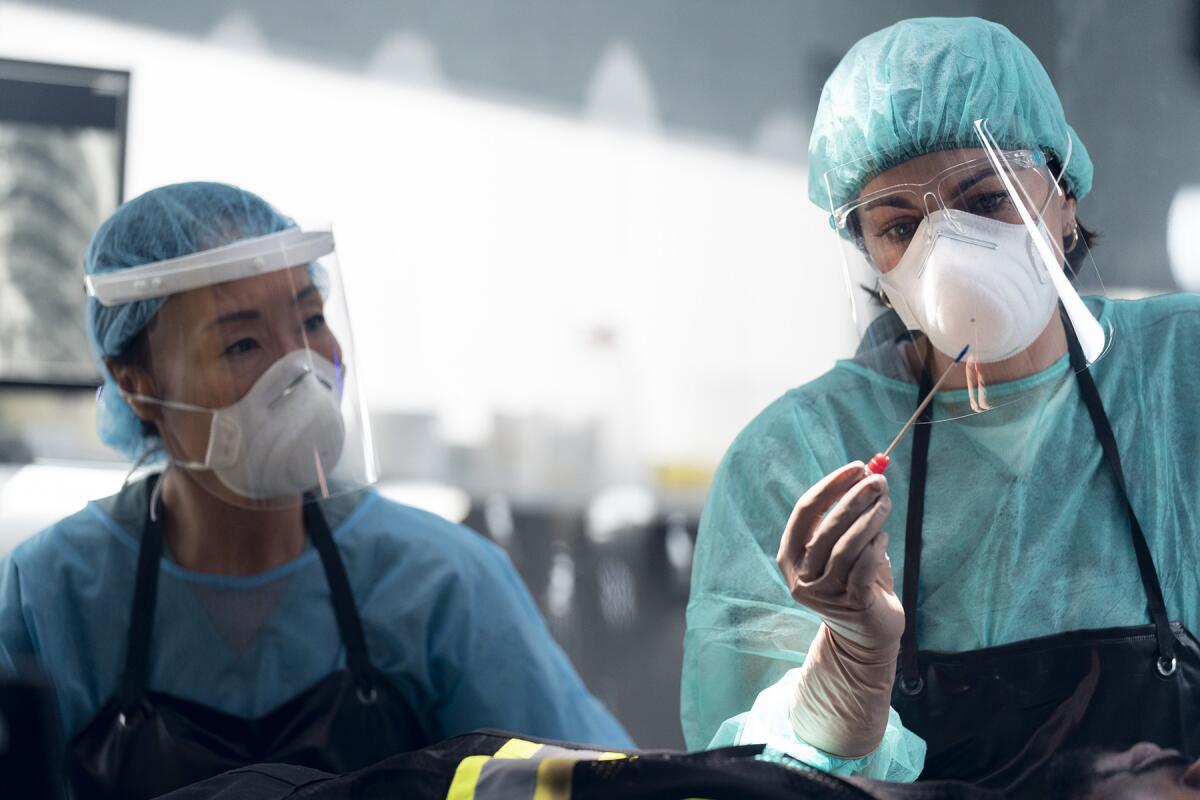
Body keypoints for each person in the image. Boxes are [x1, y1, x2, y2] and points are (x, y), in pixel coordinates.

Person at [682, 16, 1200, 797]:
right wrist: (845, 680)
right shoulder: (796, 457)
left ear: (1063, 199)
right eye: (900, 225)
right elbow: (739, 785)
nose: (949, 252)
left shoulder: (1182, 380)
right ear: (873, 262)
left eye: (985, 199)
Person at [0, 182, 631, 799]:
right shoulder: (51, 593)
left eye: (309, 318)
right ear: (135, 383)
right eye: (242, 343)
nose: (300, 368)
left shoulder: (443, 584)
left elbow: (592, 786)